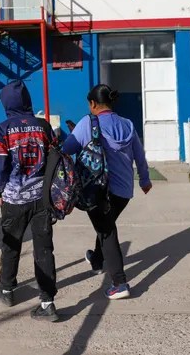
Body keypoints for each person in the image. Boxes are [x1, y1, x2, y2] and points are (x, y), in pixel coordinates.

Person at [62, 84, 152, 300]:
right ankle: (97, 259)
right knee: (106, 222)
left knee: (107, 231)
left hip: (97, 190)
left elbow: (66, 150)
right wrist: (145, 180)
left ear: (93, 104)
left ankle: (120, 283)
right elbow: (139, 156)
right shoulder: (128, 125)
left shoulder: (87, 123)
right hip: (123, 192)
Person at [0, 80, 59, 322]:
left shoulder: (1, 130)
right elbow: (55, 160)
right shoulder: (43, 126)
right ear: (27, 101)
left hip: (14, 199)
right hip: (42, 199)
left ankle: (7, 290)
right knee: (44, 249)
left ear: (6, 103)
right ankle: (48, 302)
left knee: (11, 245)